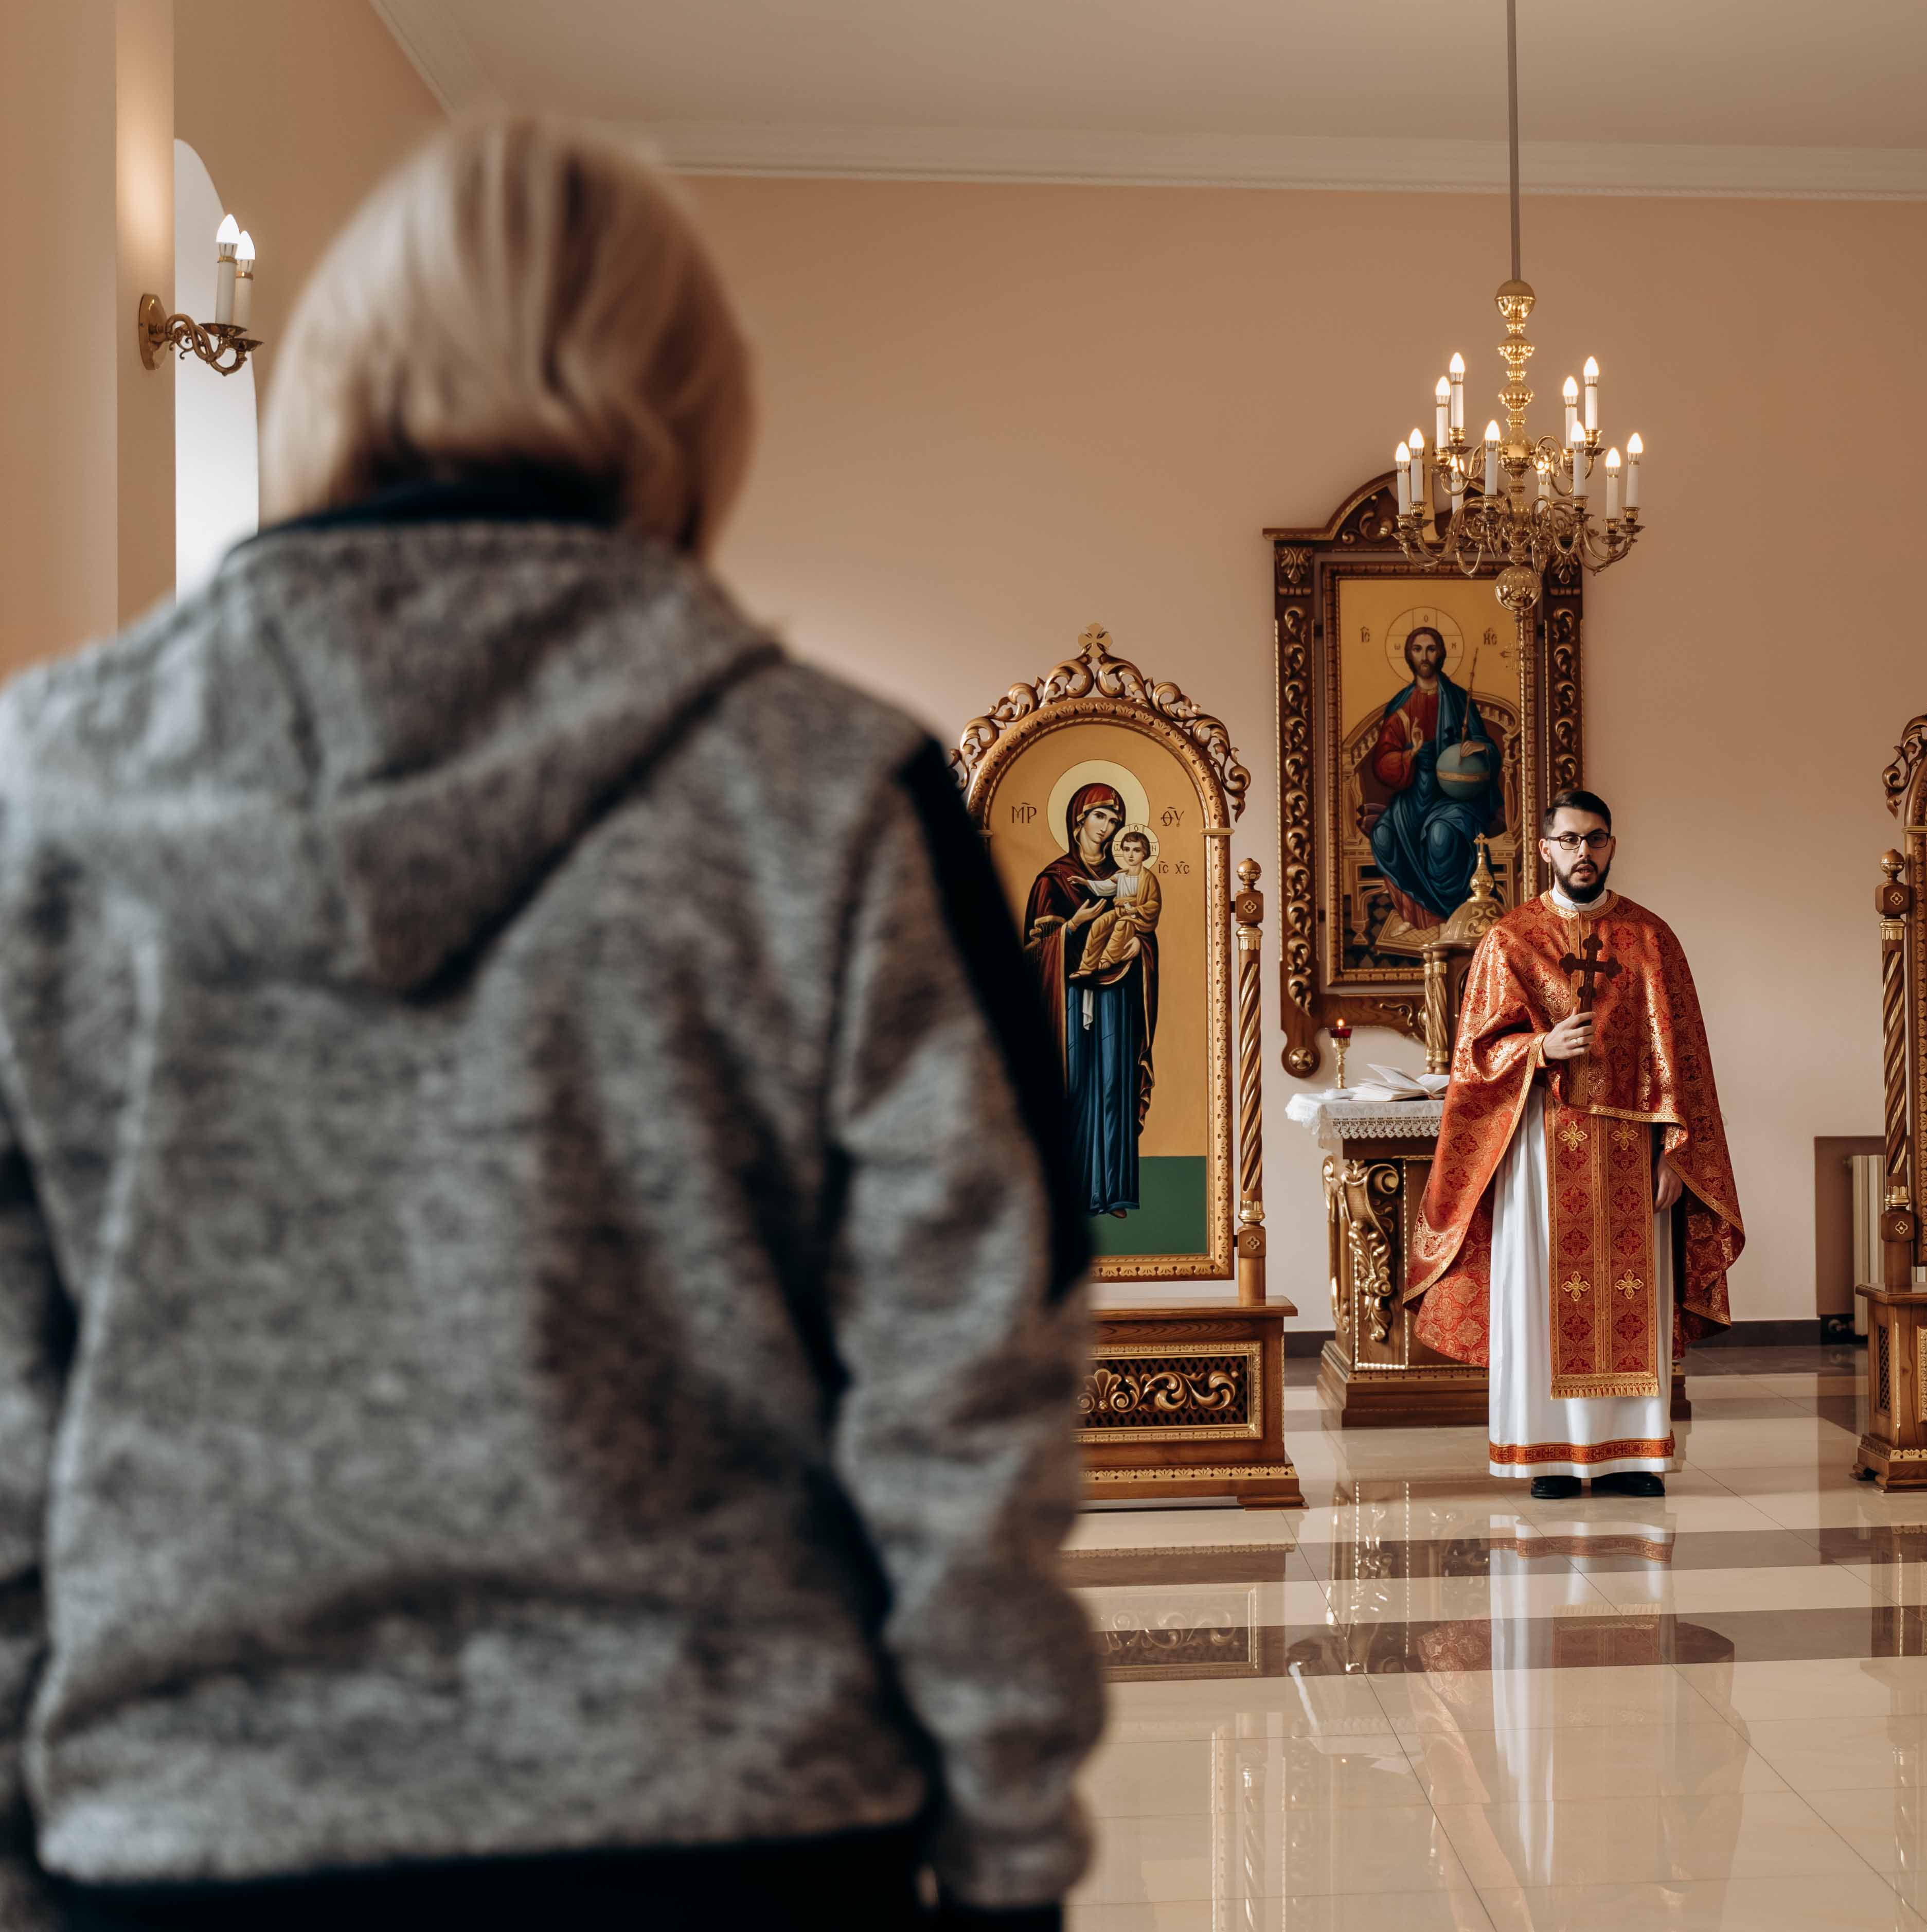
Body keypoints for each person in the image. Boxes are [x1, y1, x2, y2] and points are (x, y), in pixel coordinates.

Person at [0, 117, 1099, 1928]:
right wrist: (1010, 1853)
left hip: (195, 1836)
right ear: (695, 405)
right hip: (732, 1829)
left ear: (333, 379)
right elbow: (966, 1380)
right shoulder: (828, 794)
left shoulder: (41, 797)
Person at [1403, 790, 1745, 1499]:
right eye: (1570, 840)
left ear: (1611, 845)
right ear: (1545, 848)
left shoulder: (1650, 939)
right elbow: (1474, 1058)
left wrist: (1676, 1153)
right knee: (1539, 1297)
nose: (1583, 852)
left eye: (1596, 839)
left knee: (1632, 1299)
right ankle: (1548, 1456)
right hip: (1540, 1149)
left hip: (1632, 1156)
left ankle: (1632, 1457)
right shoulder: (1510, 940)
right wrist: (1540, 1047)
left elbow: (1685, 1063)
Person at [1024, 786, 1154, 1218]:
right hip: (1070, 995)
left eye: (1115, 820)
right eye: (1100, 816)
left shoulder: (1129, 874)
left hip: (1117, 995)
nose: (1108, 827)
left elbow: (1146, 927)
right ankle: (1072, 1191)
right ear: (1079, 819)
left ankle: (1112, 1192)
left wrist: (1140, 948)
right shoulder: (1052, 880)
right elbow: (1031, 955)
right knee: (1076, 1085)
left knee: (1115, 1085)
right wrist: (1071, 928)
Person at [1357, 625, 1503, 932]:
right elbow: (1383, 762)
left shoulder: (1459, 700)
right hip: (1415, 790)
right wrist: (1410, 754)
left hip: (1454, 793)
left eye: (1431, 649)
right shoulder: (1401, 704)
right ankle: (1414, 916)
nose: (1424, 656)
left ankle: (1450, 915)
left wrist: (1480, 747)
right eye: (1418, 649)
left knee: (1440, 835)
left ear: (1442, 654)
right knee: (1384, 835)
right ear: (1409, 656)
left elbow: (1487, 748)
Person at [1070, 826, 1164, 980]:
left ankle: (1107, 958)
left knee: (1121, 926)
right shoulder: (1121, 875)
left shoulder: (1148, 878)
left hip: (1136, 918)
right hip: (1119, 911)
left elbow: (1154, 903)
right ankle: (1087, 966)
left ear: (1145, 853)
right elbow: (1105, 887)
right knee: (1099, 924)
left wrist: (1137, 910)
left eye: (1136, 850)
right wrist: (1085, 882)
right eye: (1127, 850)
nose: (1131, 855)